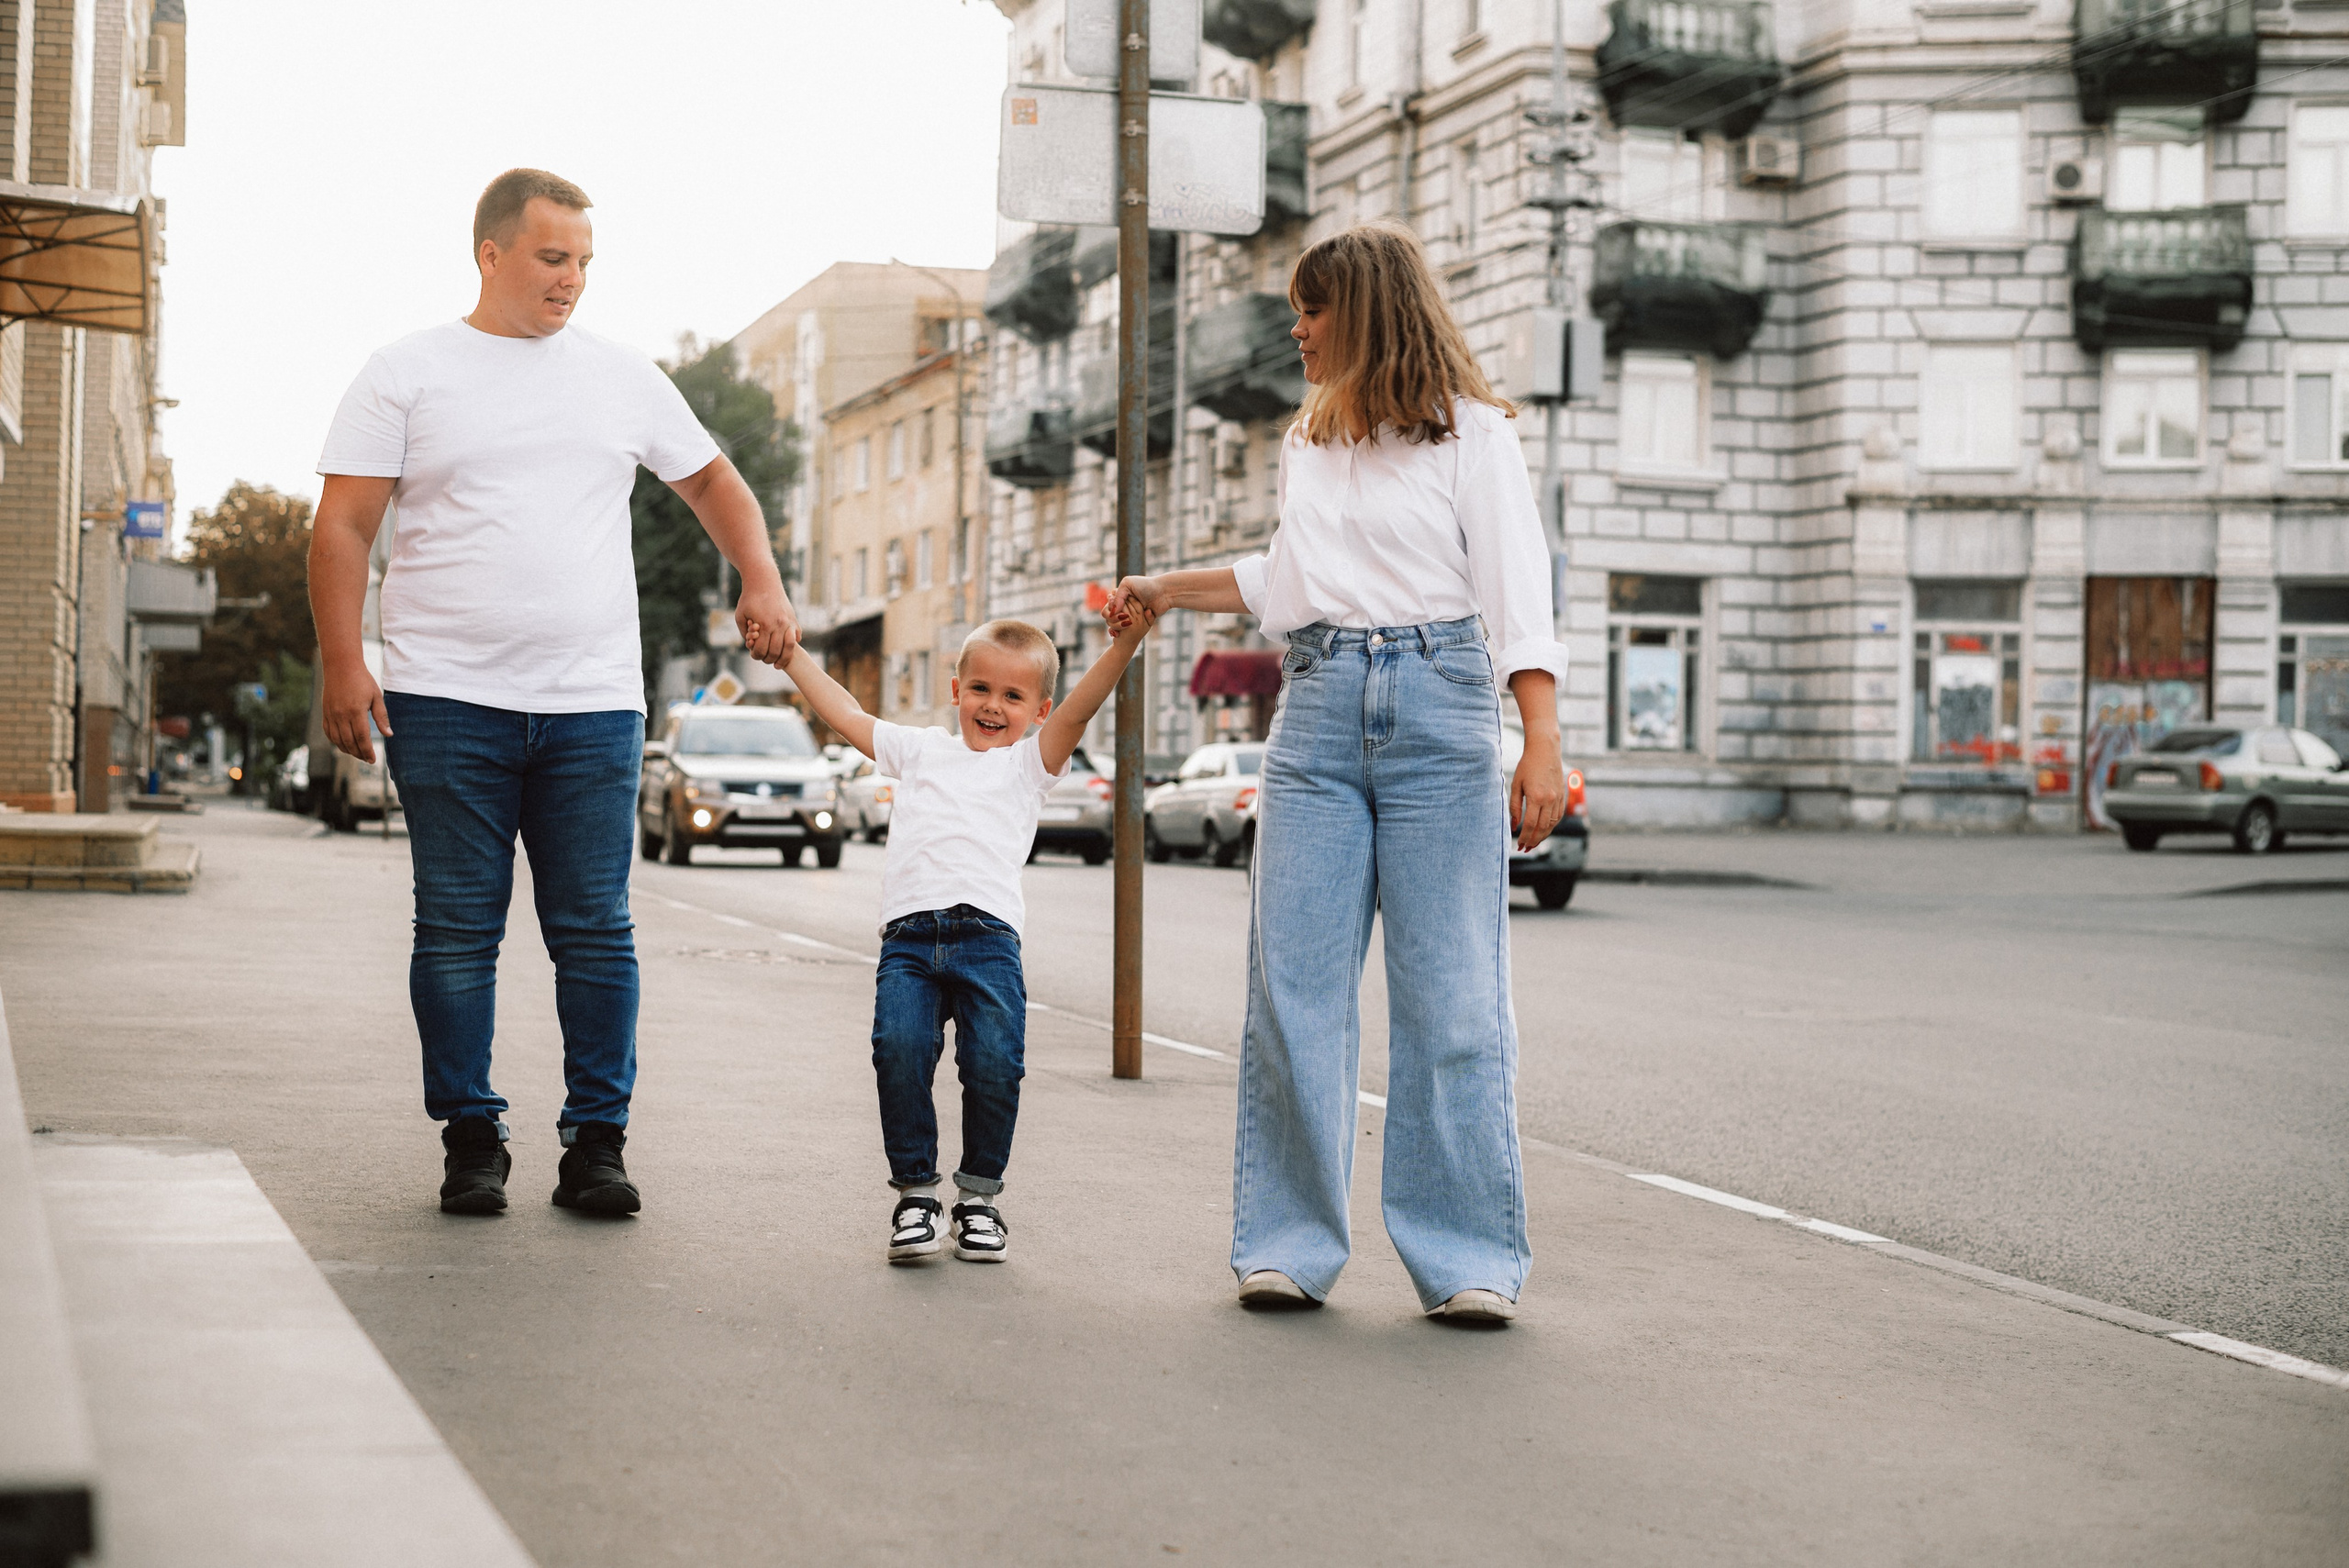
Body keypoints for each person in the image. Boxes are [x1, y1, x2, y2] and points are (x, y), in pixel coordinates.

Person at [309, 168, 798, 1218]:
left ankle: (597, 1143)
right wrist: (344, 659)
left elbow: (714, 481)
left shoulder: (622, 376)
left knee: (596, 927)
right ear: (491, 253)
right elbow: (343, 524)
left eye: (583, 260)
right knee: (454, 929)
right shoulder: (406, 371)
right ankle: (471, 1137)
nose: (571, 279)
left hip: (592, 702)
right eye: (551, 257)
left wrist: (761, 575)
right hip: (443, 699)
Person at [1106, 222, 1568, 1324]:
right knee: (1293, 992)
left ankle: (1466, 1259)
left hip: (1441, 708)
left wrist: (1539, 736)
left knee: (1453, 997)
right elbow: (1296, 576)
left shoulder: (1475, 435)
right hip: (1312, 712)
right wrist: (1166, 587)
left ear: (1361, 312)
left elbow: (1516, 586)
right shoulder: (1309, 441)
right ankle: (1287, 1245)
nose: (1297, 330)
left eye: (1310, 310)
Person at [778, 614, 1152, 1263]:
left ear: (1038, 710)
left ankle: (978, 1199)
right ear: (956, 691)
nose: (993, 706)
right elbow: (844, 712)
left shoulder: (1030, 765)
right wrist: (791, 659)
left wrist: (1126, 642)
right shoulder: (921, 749)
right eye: (981, 688)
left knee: (995, 1066)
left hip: (988, 941)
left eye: (1013, 697)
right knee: (898, 1049)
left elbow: (1084, 705)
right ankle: (916, 1194)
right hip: (910, 941)